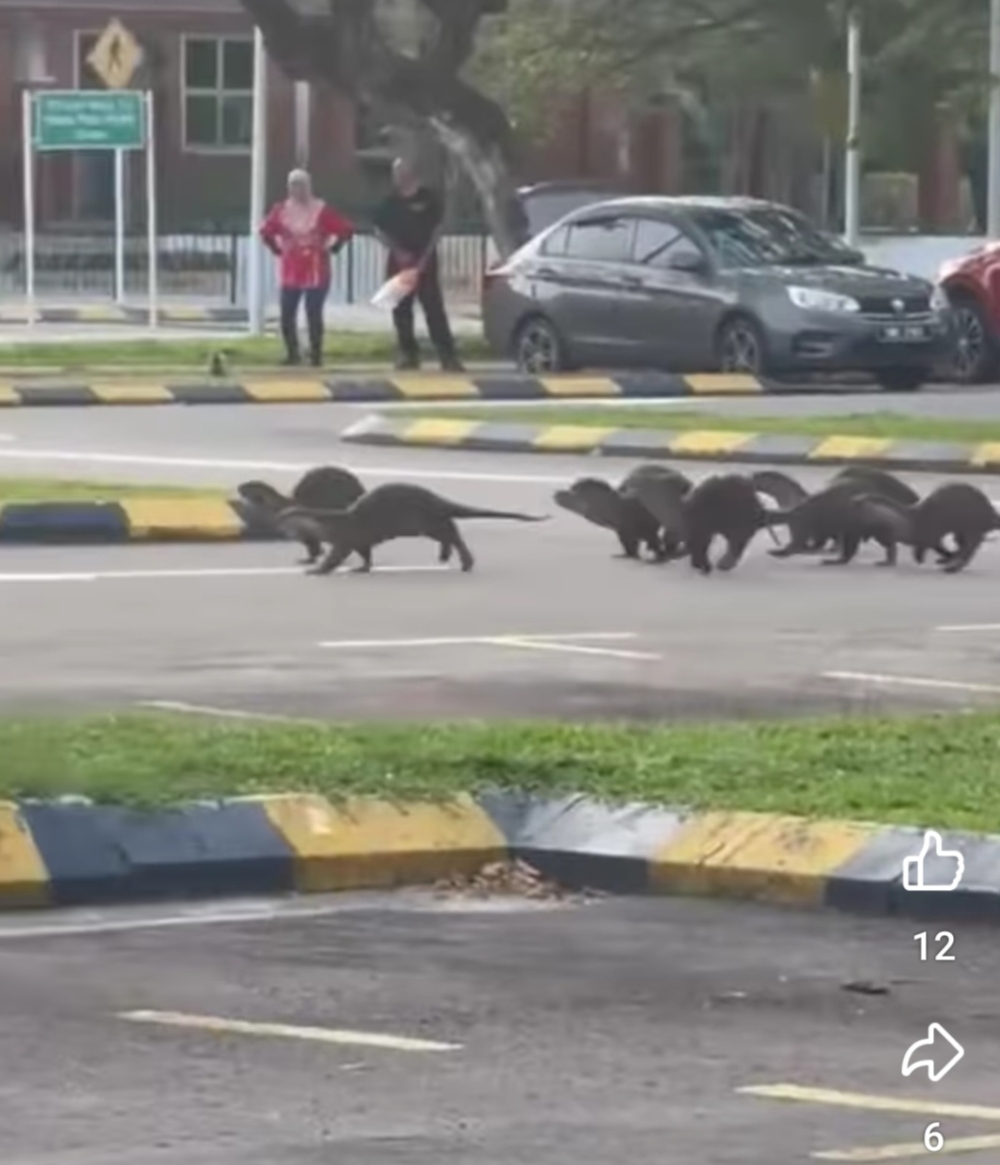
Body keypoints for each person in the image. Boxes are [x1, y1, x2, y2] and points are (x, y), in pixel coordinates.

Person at [372, 158, 463, 371]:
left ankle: (447, 356)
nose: (399, 177)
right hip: (399, 263)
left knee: (433, 308)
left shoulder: (428, 199)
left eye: (403, 172)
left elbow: (438, 229)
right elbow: (379, 230)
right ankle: (408, 354)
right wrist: (397, 251)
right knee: (401, 310)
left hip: (426, 262)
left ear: (412, 173)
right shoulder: (390, 202)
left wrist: (424, 259)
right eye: (396, 173)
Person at [260, 169, 354, 366]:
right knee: (287, 314)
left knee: (313, 312)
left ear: (308, 186)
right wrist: (276, 249)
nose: (297, 189)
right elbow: (265, 231)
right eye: (293, 185)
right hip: (291, 270)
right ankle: (292, 353)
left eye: (301, 184)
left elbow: (345, 229)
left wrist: (334, 247)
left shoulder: (321, 210)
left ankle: (316, 353)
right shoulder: (282, 210)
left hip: (316, 269)